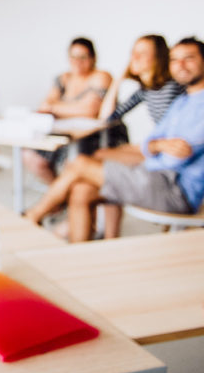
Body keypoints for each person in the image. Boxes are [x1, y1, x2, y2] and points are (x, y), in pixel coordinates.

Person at [25, 38, 204, 243]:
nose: (180, 65)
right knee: (81, 190)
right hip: (156, 174)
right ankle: (78, 259)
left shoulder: (186, 98)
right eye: (175, 59)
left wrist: (152, 149)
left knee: (82, 163)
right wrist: (156, 146)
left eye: (188, 58)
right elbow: (149, 139)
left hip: (175, 189)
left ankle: (33, 216)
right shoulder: (183, 100)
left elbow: (174, 159)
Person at [23, 37, 112, 183]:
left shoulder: (101, 76)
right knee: (30, 156)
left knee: (72, 163)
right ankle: (60, 198)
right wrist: (66, 108)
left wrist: (55, 108)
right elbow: (45, 105)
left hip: (93, 137)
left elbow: (90, 110)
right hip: (64, 133)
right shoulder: (63, 78)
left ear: (93, 58)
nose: (77, 61)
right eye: (73, 57)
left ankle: (64, 197)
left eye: (83, 57)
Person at [97, 34, 184, 163]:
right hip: (159, 146)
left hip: (171, 150)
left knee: (101, 156)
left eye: (142, 53)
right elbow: (107, 118)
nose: (134, 57)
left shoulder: (172, 86)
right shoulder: (145, 90)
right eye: (133, 52)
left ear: (158, 58)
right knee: (100, 154)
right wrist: (118, 80)